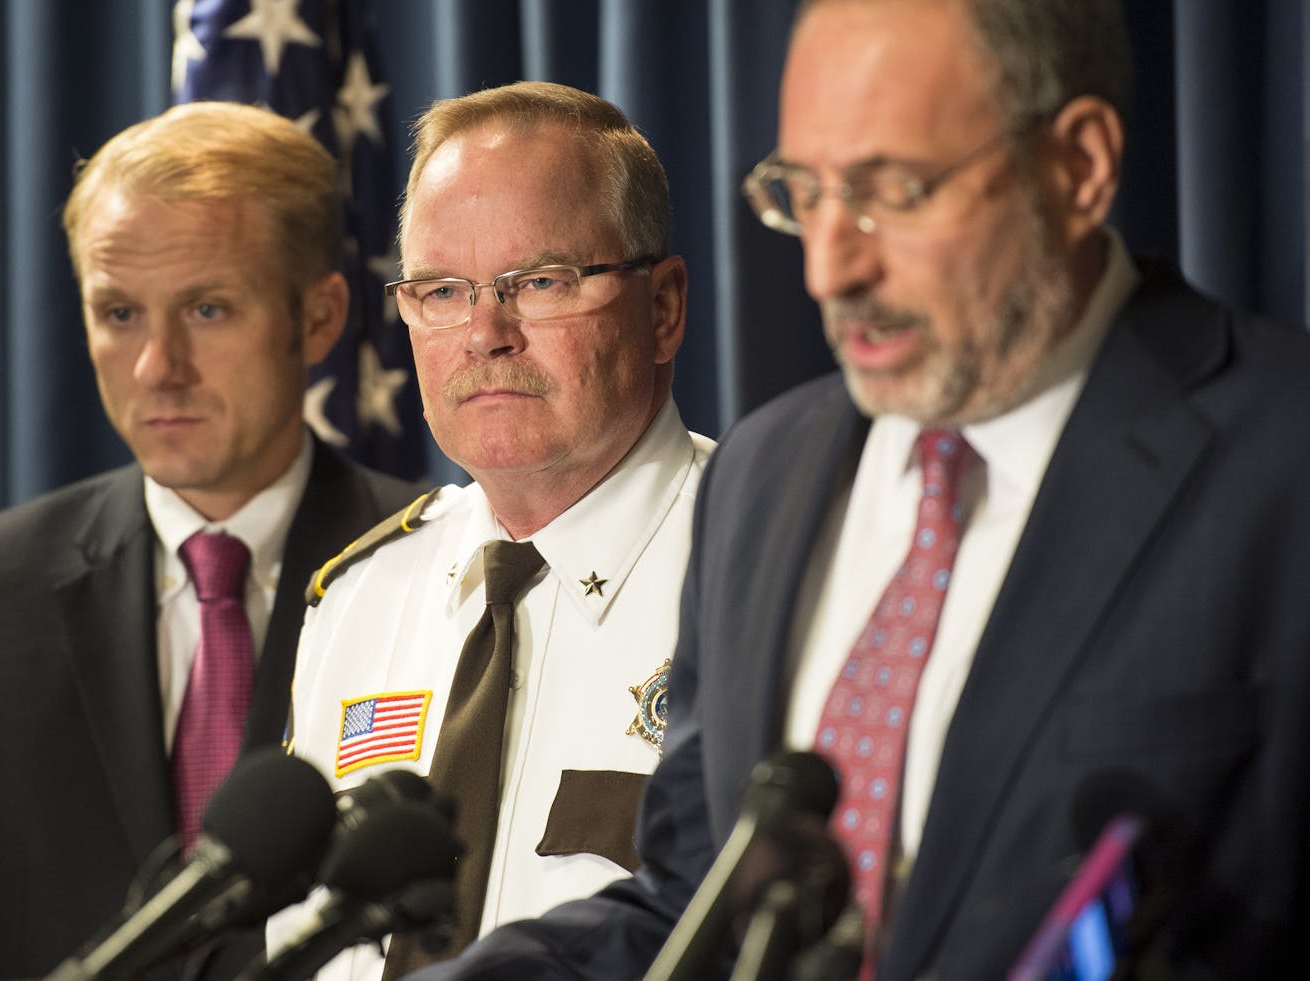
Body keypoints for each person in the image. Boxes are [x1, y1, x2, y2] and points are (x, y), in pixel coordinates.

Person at [405, 1, 1310, 979]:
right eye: (805, 193)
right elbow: (694, 896)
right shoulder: (764, 474)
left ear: (1077, 166)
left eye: (893, 191)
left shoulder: (1277, 462)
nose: (832, 265)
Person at [0, 101, 423, 981]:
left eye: (208, 309)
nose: (156, 367)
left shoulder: (441, 570)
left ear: (321, 318)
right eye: (121, 312)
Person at [272, 80, 713, 979]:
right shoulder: (361, 600)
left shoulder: (763, 567)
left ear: (662, 306)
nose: (485, 333)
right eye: (440, 290)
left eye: (542, 282)